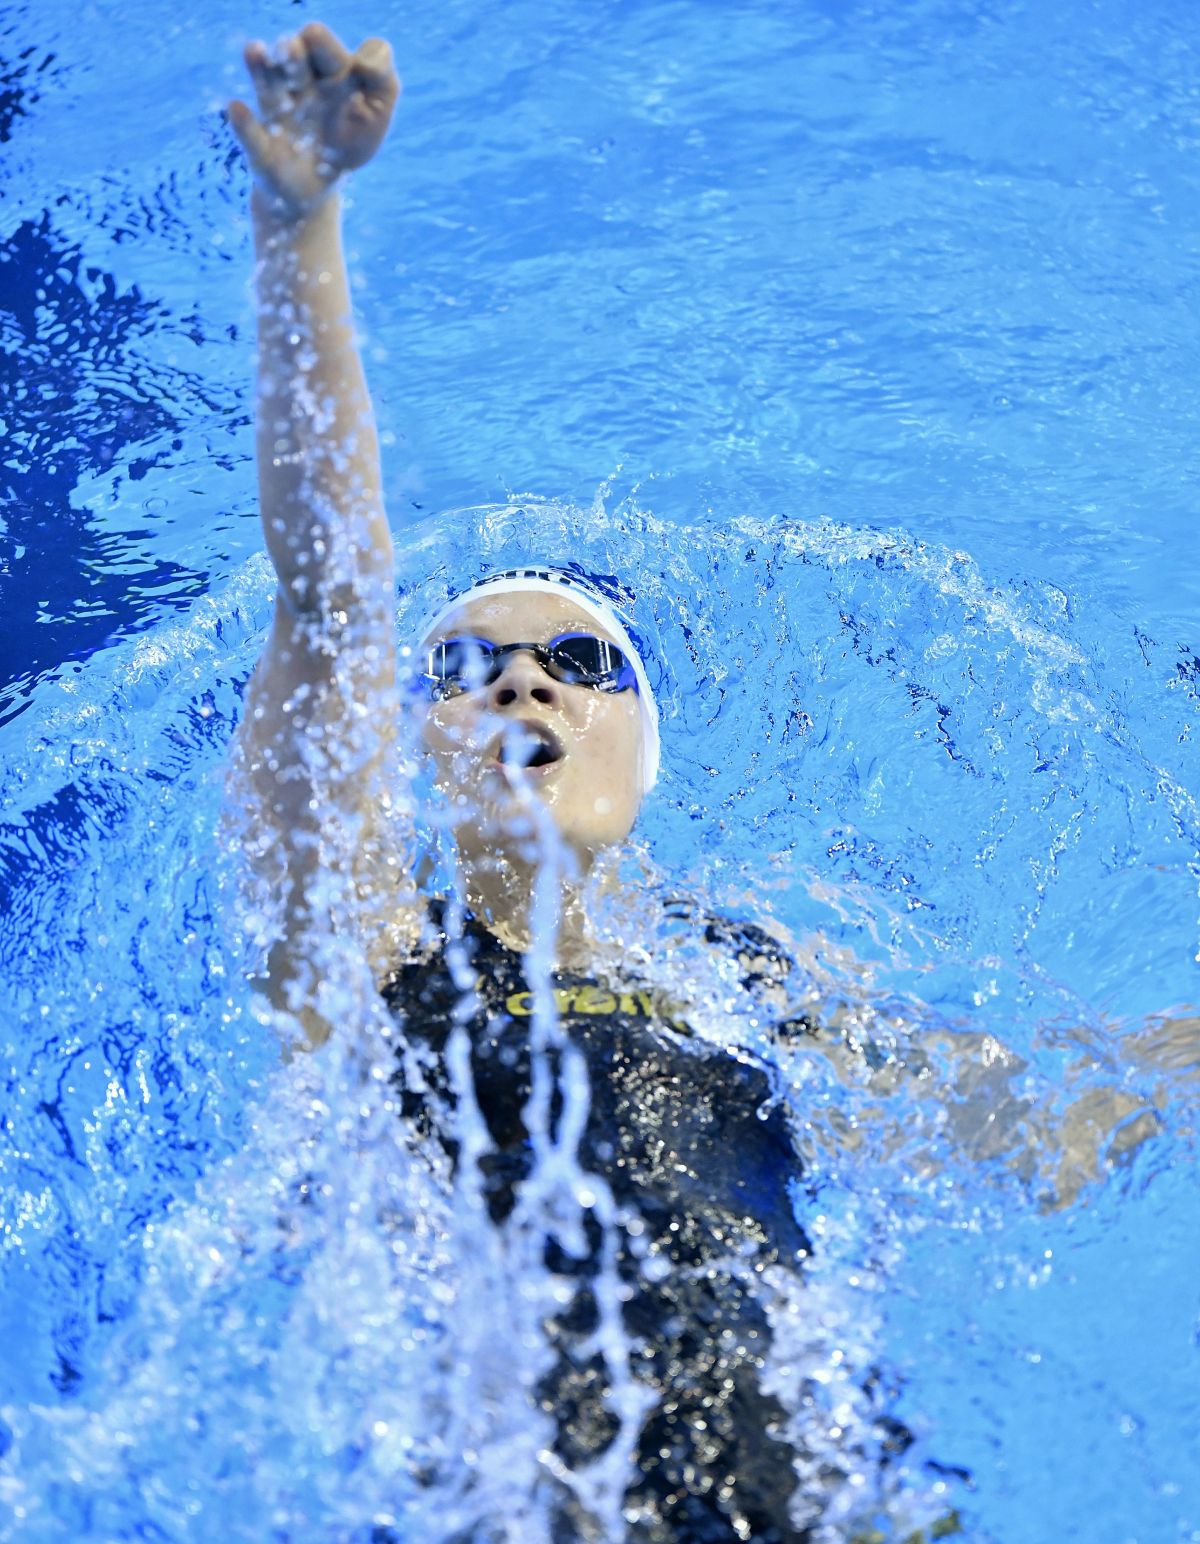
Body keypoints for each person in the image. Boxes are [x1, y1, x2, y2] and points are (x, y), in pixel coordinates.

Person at [224, 23, 1194, 1543]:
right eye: (468, 665)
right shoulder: (379, 957)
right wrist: (302, 228)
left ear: (641, 745)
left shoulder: (748, 980)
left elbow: (1028, 1131)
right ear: (416, 744)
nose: (523, 684)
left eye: (577, 663)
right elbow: (328, 597)